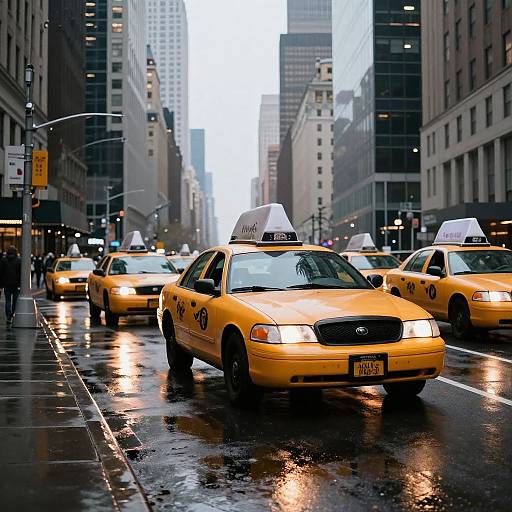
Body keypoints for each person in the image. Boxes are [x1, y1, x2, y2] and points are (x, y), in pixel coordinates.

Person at [0, 246, 21, 323]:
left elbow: (1, 273)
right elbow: (20, 273)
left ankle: (8, 317)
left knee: (8, 301)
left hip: (7, 284)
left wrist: (1, 284)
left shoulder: (3, 260)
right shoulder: (19, 260)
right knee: (15, 301)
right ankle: (12, 314)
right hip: (16, 284)